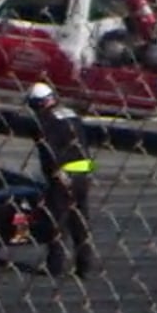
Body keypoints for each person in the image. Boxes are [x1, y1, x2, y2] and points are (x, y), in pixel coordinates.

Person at [25, 82, 98, 278]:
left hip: (63, 176)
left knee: (57, 222)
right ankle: (85, 266)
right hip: (83, 172)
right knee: (80, 223)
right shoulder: (71, 115)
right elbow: (83, 143)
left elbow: (49, 152)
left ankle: (55, 266)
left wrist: (57, 173)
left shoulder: (44, 121)